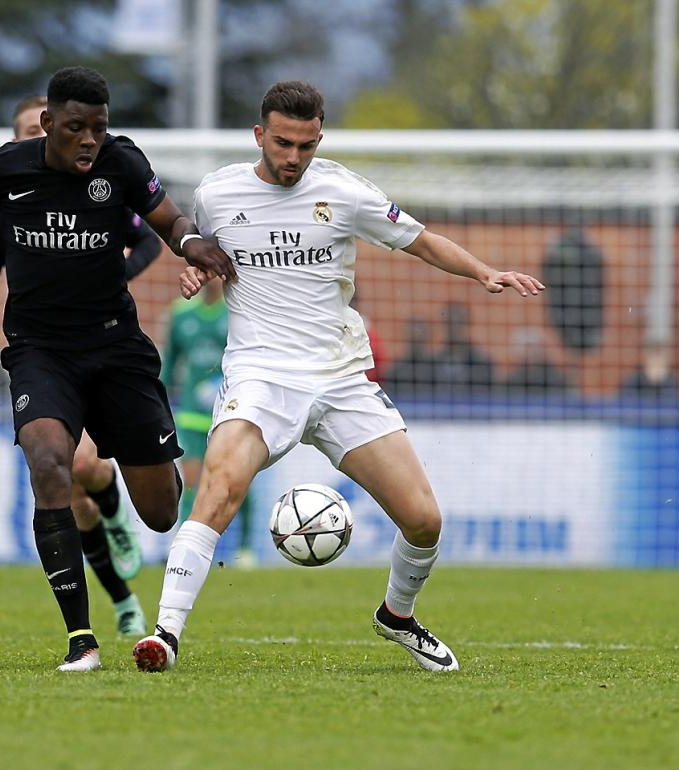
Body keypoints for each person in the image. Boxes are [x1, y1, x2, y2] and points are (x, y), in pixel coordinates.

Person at [132, 80, 544, 674]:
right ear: (259, 136)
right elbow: (206, 253)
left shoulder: (344, 192)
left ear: (319, 138)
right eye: (282, 143)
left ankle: (396, 615)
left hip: (341, 378)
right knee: (218, 488)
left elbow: (421, 239)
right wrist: (199, 275)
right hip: (261, 375)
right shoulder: (218, 194)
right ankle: (164, 634)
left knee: (424, 520)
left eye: (307, 144)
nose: (294, 156)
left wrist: (483, 272)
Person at [0, 67, 236, 672]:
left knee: (162, 513)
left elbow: (168, 220)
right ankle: (81, 640)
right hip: (38, 348)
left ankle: (116, 509)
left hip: (115, 348)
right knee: (49, 462)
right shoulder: (1, 170)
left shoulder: (123, 165)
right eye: (76, 128)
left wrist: (191, 245)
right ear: (48, 124)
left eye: (99, 128)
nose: (89, 139)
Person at [0, 94, 166, 636]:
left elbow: (146, 235)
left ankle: (115, 512)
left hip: (102, 339)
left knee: (83, 471)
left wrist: (111, 274)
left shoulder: (99, 183)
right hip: (38, 344)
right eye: (19, 134)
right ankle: (117, 603)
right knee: (57, 473)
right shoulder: (11, 188)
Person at [161, 280, 255, 565]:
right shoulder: (180, 313)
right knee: (191, 482)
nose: (209, 278)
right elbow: (170, 364)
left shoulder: (238, 312)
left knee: (239, 480)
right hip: (192, 414)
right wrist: (158, 406)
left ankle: (246, 549)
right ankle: (183, 547)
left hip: (231, 412)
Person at [433, 302, 496, 397]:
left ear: (467, 324)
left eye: (459, 323)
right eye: (449, 323)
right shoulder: (433, 362)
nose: (454, 328)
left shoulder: (481, 363)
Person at [502, 327, 571, 397]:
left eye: (532, 347)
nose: (530, 352)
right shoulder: (513, 379)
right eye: (527, 347)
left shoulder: (554, 376)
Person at [384, 316, 438, 398]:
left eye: (420, 334)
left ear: (426, 337)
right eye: (412, 333)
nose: (416, 337)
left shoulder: (436, 369)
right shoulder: (395, 373)